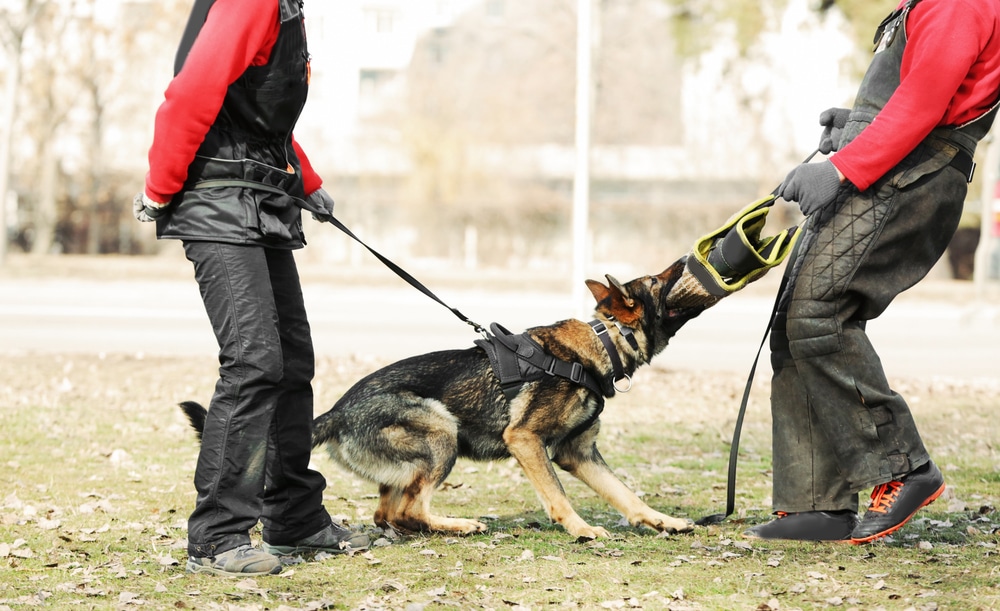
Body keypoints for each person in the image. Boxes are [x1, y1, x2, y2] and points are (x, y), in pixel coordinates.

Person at [745, 0, 1000, 542]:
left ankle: (903, 467)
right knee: (798, 316)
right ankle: (817, 503)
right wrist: (856, 125)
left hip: (913, 172)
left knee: (819, 315)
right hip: (891, 161)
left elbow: (926, 103)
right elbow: (921, 90)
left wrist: (842, 167)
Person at [134, 0, 369, 574]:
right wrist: (159, 188)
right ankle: (217, 536)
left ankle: (294, 519)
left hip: (257, 197)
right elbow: (191, 95)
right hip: (216, 200)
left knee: (291, 361)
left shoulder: (285, 8)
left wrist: (306, 184)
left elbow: (259, 120)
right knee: (254, 360)